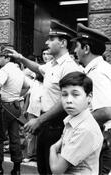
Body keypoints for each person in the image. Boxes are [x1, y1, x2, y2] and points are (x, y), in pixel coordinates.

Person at [5, 20, 82, 174]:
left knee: (52, 170)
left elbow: (66, 101)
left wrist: (39, 120)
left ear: (63, 43)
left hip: (57, 125)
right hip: (46, 123)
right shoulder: (53, 65)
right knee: (43, 168)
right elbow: (39, 68)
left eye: (51, 39)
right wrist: (20, 58)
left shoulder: (69, 67)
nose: (47, 42)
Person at [0, 46, 30, 175]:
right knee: (14, 138)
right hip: (16, 106)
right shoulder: (18, 70)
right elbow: (27, 86)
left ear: (7, 58)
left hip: (5, 107)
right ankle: (17, 169)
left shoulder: (5, 69)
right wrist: (18, 96)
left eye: (1, 57)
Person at [72, 23, 111, 175]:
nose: (74, 51)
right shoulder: (103, 68)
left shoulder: (97, 74)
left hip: (102, 139)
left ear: (86, 49)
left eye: (77, 46)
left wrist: (76, 124)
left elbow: (106, 112)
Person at [50, 71, 103, 174]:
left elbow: (57, 169)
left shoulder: (84, 128)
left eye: (75, 94)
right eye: (64, 95)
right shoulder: (72, 120)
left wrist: (52, 148)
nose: (69, 100)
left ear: (89, 97)